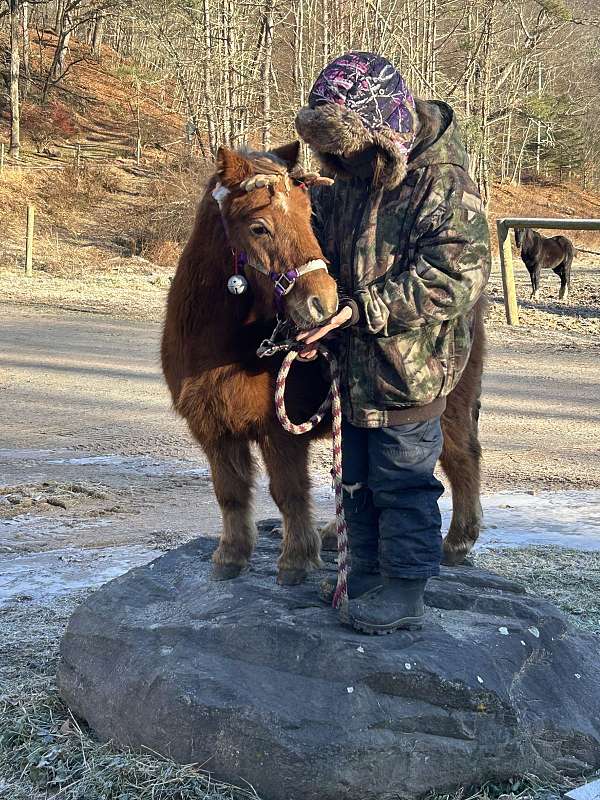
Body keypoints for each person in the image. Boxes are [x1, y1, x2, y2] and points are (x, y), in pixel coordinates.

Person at [294, 52, 491, 635]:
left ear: (384, 133)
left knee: (403, 481)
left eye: (347, 154)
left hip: (413, 371)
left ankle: (406, 590)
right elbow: (322, 243)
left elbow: (457, 276)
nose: (339, 166)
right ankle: (368, 574)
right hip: (353, 369)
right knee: (354, 476)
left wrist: (364, 308)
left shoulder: (445, 184)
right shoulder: (351, 177)